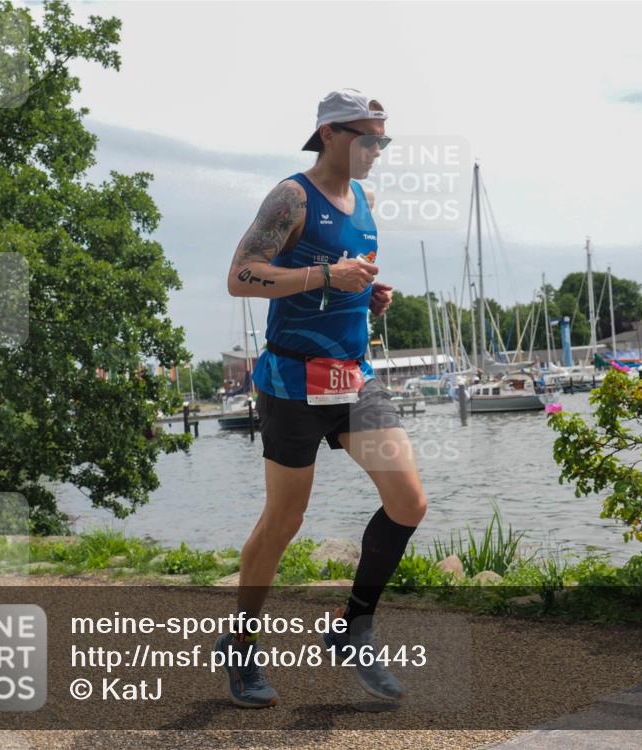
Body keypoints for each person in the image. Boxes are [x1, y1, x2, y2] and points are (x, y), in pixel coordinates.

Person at [218, 88, 427, 707]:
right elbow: (240, 277)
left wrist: (368, 296)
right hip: (290, 380)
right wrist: (325, 276)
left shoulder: (364, 200)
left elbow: (343, 279)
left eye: (384, 140)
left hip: (351, 377)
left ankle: (354, 626)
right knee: (284, 522)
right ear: (330, 134)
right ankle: (240, 647)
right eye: (369, 138)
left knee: (409, 501)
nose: (377, 150)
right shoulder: (291, 197)